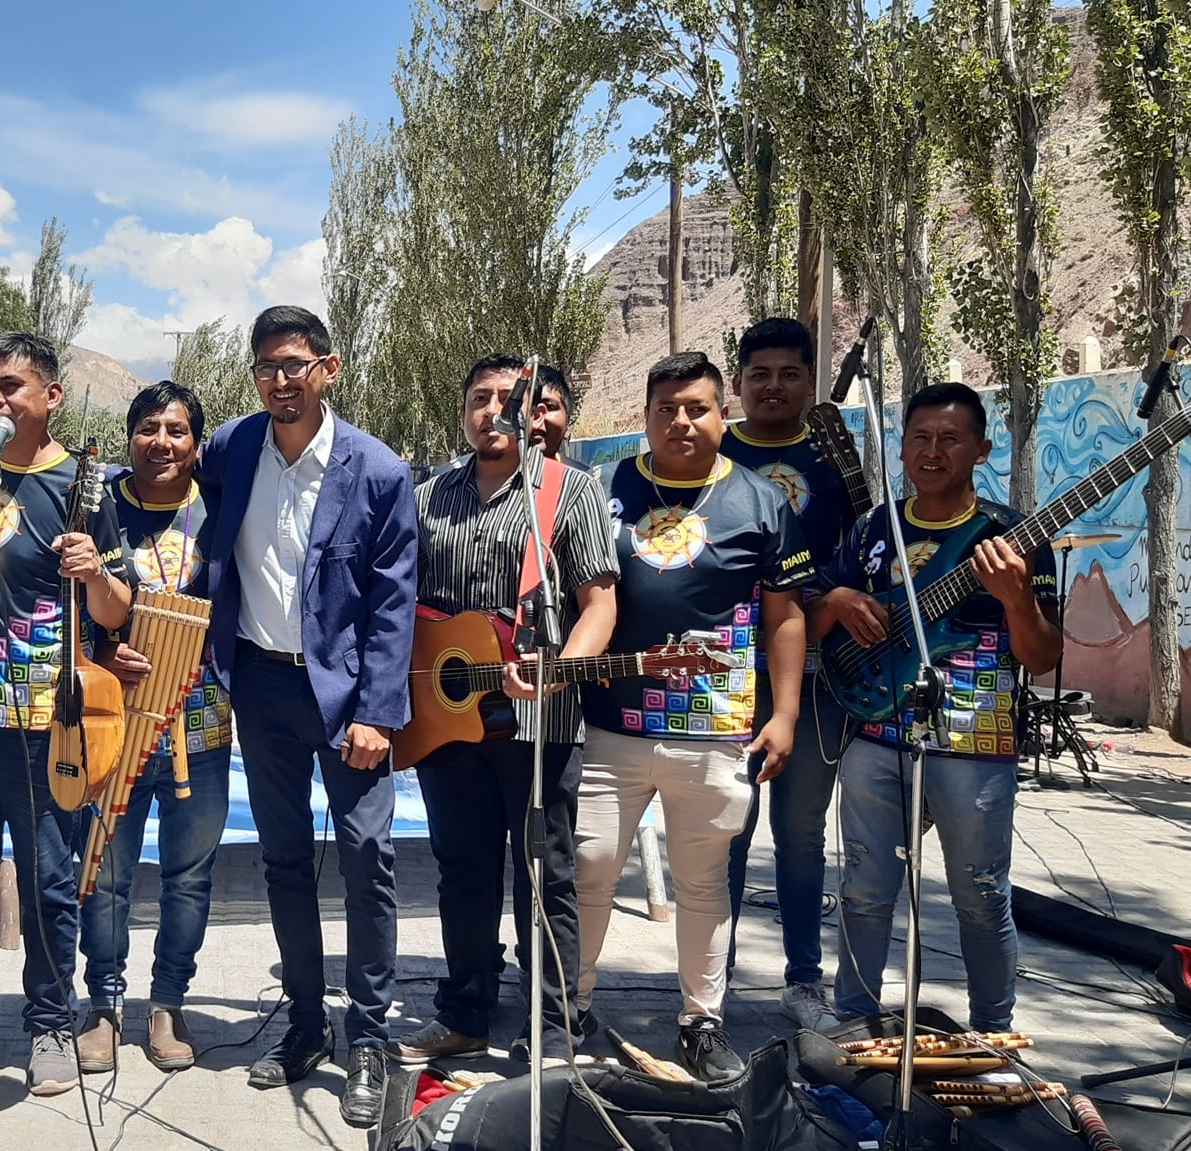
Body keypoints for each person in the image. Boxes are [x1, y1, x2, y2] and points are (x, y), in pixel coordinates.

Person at [198, 305, 417, 1128]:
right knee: (286, 862)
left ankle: (369, 1039)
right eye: (266, 367)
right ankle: (304, 1023)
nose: (281, 380)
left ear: (328, 369)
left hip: (350, 700)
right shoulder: (232, 448)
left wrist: (378, 712)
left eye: (295, 364)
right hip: (261, 687)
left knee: (368, 857)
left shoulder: (380, 470)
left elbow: (394, 604)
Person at [575, 351, 814, 1082]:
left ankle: (702, 1022)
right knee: (586, 867)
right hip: (610, 723)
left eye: (697, 407)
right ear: (646, 416)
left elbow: (786, 618)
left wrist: (786, 714)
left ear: (723, 413)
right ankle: (565, 1006)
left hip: (714, 729)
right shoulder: (605, 488)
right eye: (666, 408)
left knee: (705, 883)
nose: (681, 420)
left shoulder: (762, 502)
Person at [0, 330, 133, 1098]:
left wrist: (94, 574)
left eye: (11, 385)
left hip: (45, 720)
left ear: (50, 396)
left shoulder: (86, 486)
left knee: (46, 877)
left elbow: (117, 607)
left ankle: (49, 1026)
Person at [810, 383, 1058, 1033]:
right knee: (864, 893)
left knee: (980, 898)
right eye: (919, 437)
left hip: (976, 745)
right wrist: (837, 601)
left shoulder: (1011, 535)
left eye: (950, 439)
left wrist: (1016, 600)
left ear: (981, 448)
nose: (932, 450)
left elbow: (1042, 658)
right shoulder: (874, 529)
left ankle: (996, 1036)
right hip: (874, 731)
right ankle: (852, 1025)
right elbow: (810, 618)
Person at [392, 355, 618, 1066]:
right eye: (479, 398)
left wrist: (562, 670)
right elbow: (404, 608)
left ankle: (552, 1027)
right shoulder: (428, 497)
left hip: (538, 724)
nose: (494, 409)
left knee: (544, 876)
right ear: (463, 413)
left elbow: (599, 604)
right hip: (447, 721)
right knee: (462, 871)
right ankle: (464, 1012)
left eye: (508, 398)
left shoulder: (570, 491)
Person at [77, 382, 233, 1073]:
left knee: (188, 876)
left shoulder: (220, 508)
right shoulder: (101, 505)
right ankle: (104, 1004)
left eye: (176, 429)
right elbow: (69, 603)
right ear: (130, 434)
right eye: (148, 427)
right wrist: (103, 649)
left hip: (201, 721)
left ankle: (167, 1002)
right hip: (117, 717)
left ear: (195, 441)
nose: (161, 441)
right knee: (104, 871)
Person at [718, 318, 858, 1030]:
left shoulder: (833, 456)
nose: (774, 386)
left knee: (801, 833)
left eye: (790, 373)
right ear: (738, 380)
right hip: (730, 674)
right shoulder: (714, 449)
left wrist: (822, 597)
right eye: (760, 373)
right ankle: (715, 975)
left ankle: (805, 980)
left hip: (814, 677)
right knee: (727, 829)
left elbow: (862, 553)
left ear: (810, 380)